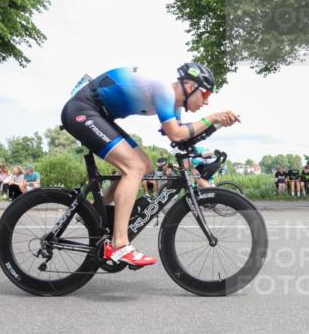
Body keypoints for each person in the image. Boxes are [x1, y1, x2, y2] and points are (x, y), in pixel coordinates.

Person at [60, 63, 239, 267]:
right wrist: (212, 118)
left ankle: (94, 215)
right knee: (133, 168)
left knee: (145, 166)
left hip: (98, 114)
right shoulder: (164, 90)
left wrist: (216, 125)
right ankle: (119, 245)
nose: (206, 101)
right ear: (190, 86)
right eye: (205, 94)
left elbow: (182, 137)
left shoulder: (173, 105)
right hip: (82, 110)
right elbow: (177, 134)